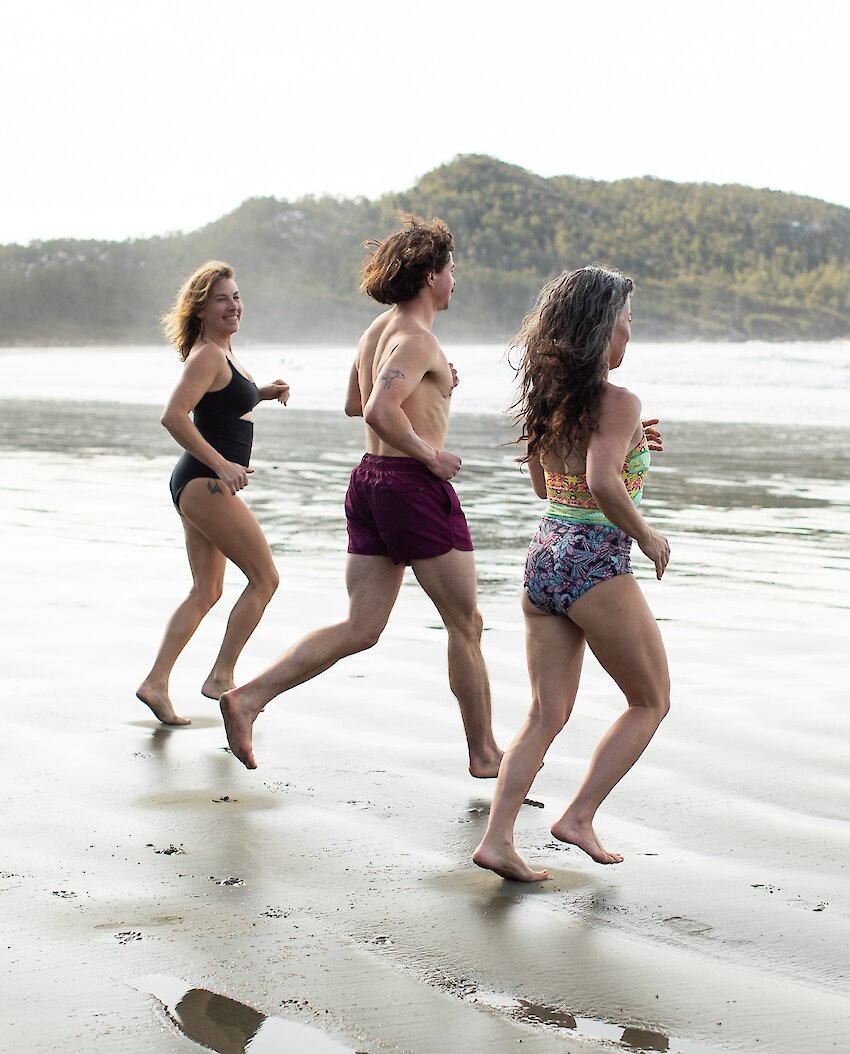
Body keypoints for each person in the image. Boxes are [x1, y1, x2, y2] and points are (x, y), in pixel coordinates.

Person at [220, 215, 503, 776]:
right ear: (429, 276)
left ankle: (247, 697)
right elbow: (377, 408)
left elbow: (357, 404)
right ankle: (485, 754)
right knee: (465, 624)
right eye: (451, 270)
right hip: (410, 486)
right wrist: (430, 454)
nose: (455, 280)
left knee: (361, 627)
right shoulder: (418, 339)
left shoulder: (377, 332)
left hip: (370, 480)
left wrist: (431, 384)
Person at [472, 265, 671, 881]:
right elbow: (600, 482)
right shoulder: (619, 401)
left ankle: (498, 840)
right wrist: (648, 535)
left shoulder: (548, 401)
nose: (629, 337)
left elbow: (544, 485)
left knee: (544, 712)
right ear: (598, 331)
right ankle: (578, 815)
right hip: (593, 562)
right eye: (624, 323)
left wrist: (631, 441)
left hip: (544, 560)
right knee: (651, 699)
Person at [136, 261, 290, 726]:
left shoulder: (222, 352)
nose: (233, 306)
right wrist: (223, 464)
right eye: (222, 299)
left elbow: (221, 401)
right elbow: (174, 416)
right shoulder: (206, 354)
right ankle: (221, 677)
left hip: (196, 483)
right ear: (201, 309)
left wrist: (262, 392)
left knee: (207, 590)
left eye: (237, 297)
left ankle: (155, 683)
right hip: (206, 481)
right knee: (265, 580)